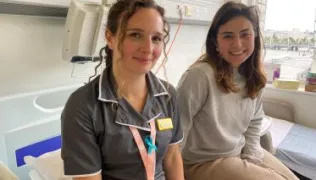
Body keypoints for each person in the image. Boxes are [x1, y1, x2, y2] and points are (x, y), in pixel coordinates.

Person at [61, 0, 184, 179]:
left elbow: (172, 157)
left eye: (156, 38)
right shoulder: (82, 106)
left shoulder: (167, 95)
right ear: (110, 38)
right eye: (135, 35)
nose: (148, 48)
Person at [177, 2, 298, 180]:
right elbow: (178, 132)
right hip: (202, 161)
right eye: (227, 36)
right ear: (215, 41)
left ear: (255, 37)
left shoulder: (253, 77)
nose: (237, 44)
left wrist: (251, 157)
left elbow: (254, 123)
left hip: (237, 151)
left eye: (245, 34)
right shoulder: (199, 76)